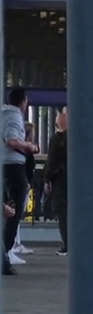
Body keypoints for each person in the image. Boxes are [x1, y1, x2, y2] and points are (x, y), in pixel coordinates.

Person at [3, 87, 37, 268]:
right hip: (14, 166)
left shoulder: (3, 114)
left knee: (5, 210)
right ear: (23, 101)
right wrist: (29, 146)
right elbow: (11, 140)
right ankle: (5, 252)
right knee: (15, 211)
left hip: (3, 166)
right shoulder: (15, 116)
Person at [46, 107, 66, 255]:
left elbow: (51, 162)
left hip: (60, 180)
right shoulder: (75, 138)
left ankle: (66, 244)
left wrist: (47, 180)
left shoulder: (55, 140)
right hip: (71, 180)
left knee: (63, 215)